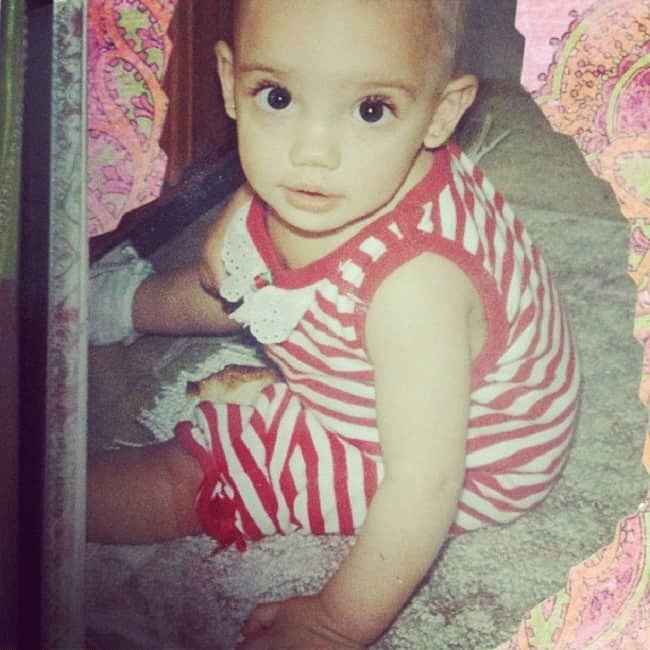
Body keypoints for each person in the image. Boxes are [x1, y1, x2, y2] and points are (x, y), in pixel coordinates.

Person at [87, 1, 581, 647]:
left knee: (197, 475)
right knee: (246, 269)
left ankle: (39, 490)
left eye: (370, 109)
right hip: (394, 358)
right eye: (278, 96)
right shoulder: (357, 176)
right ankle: (120, 303)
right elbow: (242, 264)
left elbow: (424, 483)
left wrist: (335, 624)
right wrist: (237, 222)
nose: (311, 153)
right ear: (231, 81)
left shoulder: (413, 290)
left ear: (439, 114)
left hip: (469, 456)